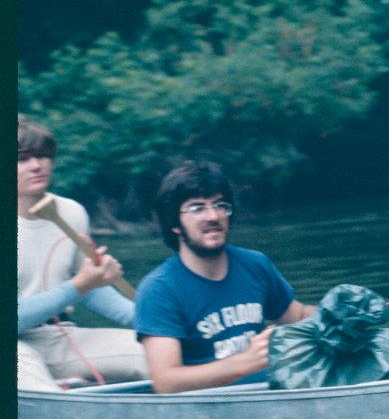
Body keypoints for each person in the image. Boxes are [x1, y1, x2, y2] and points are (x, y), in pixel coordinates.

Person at [135, 161, 315, 393]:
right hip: (207, 414)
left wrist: (340, 317)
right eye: (197, 208)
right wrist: (245, 362)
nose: (213, 216)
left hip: (273, 398)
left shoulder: (255, 264)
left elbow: (297, 316)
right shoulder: (158, 289)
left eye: (220, 205)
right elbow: (167, 382)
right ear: (174, 224)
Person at [17, 114, 148, 390]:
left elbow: (90, 289)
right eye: (22, 158)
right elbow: (79, 286)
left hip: (58, 336)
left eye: (43, 156)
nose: (37, 166)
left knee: (160, 354)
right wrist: (79, 285)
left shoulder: (71, 213)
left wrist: (152, 320)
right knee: (39, 390)